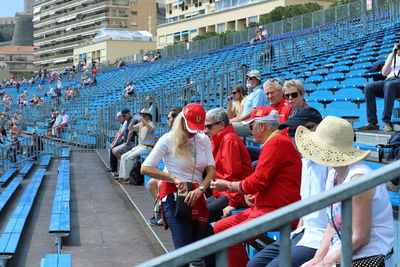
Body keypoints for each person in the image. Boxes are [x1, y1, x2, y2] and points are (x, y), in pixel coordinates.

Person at [296, 116, 395, 267]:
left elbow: (361, 238)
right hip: (344, 254)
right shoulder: (333, 174)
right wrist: (318, 258)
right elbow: (332, 225)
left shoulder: (358, 181)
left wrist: (326, 262)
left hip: (368, 257)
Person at [211, 105, 302, 267]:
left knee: (225, 234)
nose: (250, 130)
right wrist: (253, 193)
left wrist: (229, 186)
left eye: (252, 126)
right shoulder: (276, 141)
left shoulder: (277, 142)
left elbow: (258, 181)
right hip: (267, 207)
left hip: (279, 210)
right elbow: (263, 181)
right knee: (219, 227)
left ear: (262, 125)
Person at [247, 106, 329, 267]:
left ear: (319, 128)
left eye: (302, 130)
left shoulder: (331, 165)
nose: (296, 136)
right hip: (303, 233)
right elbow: (305, 207)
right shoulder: (305, 161)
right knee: (253, 264)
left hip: (321, 238)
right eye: (291, 132)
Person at [141, 103, 216, 265]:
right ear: (181, 122)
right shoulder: (168, 139)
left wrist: (201, 188)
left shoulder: (203, 139)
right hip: (174, 198)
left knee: (196, 252)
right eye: (189, 127)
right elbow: (145, 168)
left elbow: (211, 170)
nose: (192, 132)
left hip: (196, 197)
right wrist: (173, 178)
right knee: (183, 251)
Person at [203, 108, 253, 235]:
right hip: (221, 192)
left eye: (209, 126)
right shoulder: (217, 138)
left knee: (200, 218)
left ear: (221, 124)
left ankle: (211, 254)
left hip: (234, 194)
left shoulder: (229, 139)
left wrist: (233, 203)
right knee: (194, 213)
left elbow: (232, 175)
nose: (206, 130)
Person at [148, 107, 182, 226]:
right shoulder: (168, 136)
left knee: (161, 184)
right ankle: (163, 210)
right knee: (151, 183)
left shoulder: (182, 135)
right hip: (169, 169)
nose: (166, 120)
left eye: (169, 118)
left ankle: (164, 216)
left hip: (179, 172)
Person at [359, 43, 400, 132]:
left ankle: (386, 121)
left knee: (390, 85)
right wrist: (393, 54)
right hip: (389, 80)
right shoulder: (392, 55)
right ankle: (372, 122)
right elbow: (384, 73)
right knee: (369, 86)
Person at [118, 109, 155, 184]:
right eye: (141, 115)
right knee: (123, 156)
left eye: (143, 116)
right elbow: (130, 128)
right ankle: (123, 177)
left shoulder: (150, 123)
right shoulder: (140, 124)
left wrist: (143, 121)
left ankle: (130, 178)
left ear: (148, 117)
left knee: (130, 157)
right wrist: (133, 121)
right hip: (140, 146)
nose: (141, 117)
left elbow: (151, 129)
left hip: (147, 147)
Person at [232, 70, 267, 137]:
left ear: (257, 81)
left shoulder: (259, 92)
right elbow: (242, 114)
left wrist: (240, 120)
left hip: (250, 125)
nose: (248, 80)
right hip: (244, 123)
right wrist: (230, 120)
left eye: (250, 78)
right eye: (247, 78)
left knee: (226, 127)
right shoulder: (251, 94)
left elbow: (254, 111)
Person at [111, 108, 137, 175]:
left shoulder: (132, 120)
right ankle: (124, 165)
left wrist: (127, 142)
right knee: (114, 150)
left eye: (124, 116)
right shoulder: (127, 120)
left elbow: (130, 132)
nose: (123, 117)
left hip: (132, 143)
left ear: (128, 114)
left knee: (115, 150)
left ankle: (125, 166)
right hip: (127, 143)